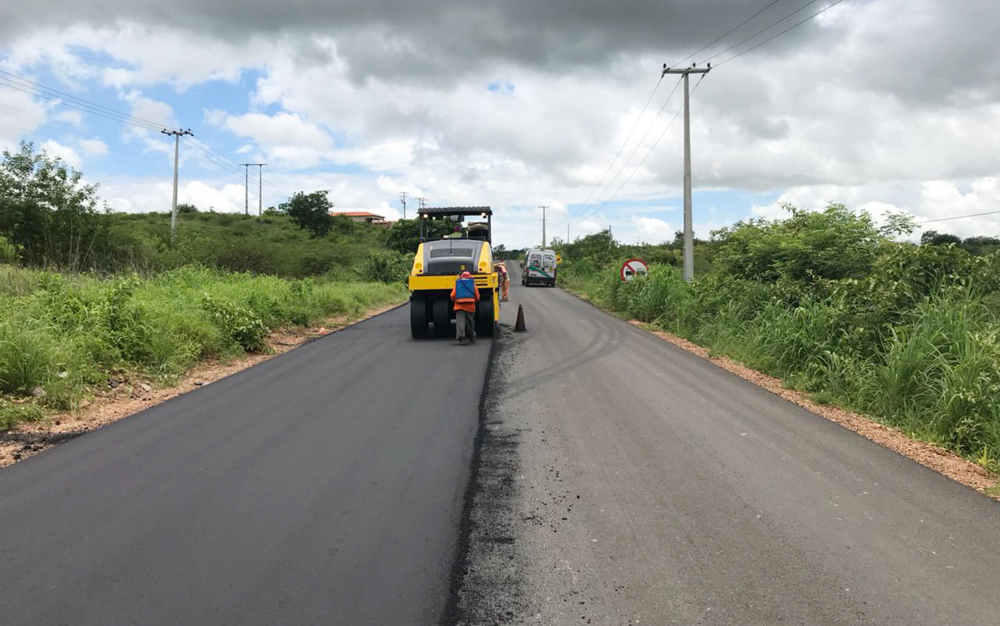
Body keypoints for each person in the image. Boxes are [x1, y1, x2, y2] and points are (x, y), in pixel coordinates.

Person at [451, 271, 480, 344]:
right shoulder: (473, 285)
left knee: (460, 322)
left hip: (459, 306)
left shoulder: (458, 284)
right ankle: (471, 336)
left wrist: (455, 301)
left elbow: (452, 295)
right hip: (470, 306)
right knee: (470, 322)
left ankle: (462, 338)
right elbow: (477, 296)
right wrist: (473, 301)